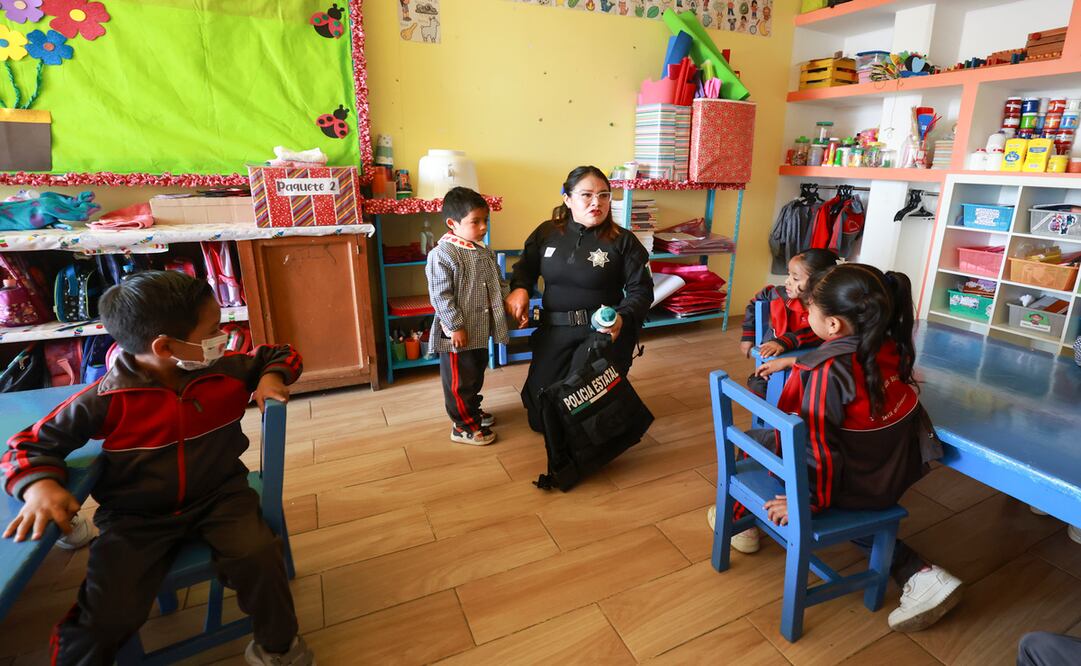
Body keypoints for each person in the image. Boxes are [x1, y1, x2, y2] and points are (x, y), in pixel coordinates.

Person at [0, 271, 313, 665]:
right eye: (214, 328)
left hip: (221, 496)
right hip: (136, 518)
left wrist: (270, 378)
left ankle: (279, 648)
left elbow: (281, 353)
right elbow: (28, 445)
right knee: (106, 614)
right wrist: (39, 487)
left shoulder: (225, 369)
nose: (225, 333)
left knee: (261, 559)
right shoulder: (104, 398)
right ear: (165, 346)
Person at [709, 263, 963, 632]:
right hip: (890, 467)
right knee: (767, 443)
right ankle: (745, 520)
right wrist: (797, 358)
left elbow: (819, 453)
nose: (805, 313)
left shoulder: (825, 375)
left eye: (810, 308)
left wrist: (805, 504)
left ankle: (742, 520)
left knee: (752, 443)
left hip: (855, 482)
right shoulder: (887, 344)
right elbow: (844, 369)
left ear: (832, 325)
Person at [505, 166, 653, 432]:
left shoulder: (624, 242)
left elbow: (642, 291)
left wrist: (622, 317)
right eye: (586, 195)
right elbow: (525, 268)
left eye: (604, 195)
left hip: (600, 333)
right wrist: (520, 288)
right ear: (568, 199)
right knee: (541, 418)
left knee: (581, 417)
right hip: (555, 330)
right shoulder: (546, 233)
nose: (597, 203)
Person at [426, 186, 509, 446]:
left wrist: (509, 302)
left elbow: (498, 280)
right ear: (453, 223)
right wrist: (454, 327)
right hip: (458, 334)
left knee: (474, 374)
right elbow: (441, 296)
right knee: (459, 381)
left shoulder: (482, 250)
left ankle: (472, 410)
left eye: (486, 220)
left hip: (480, 328)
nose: (483, 227)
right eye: (476, 221)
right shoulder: (443, 254)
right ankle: (462, 425)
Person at [739, 248, 838, 396]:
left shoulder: (828, 307)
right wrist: (748, 336)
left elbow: (823, 336)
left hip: (812, 365)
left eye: (796, 278)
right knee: (757, 384)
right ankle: (773, 417)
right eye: (789, 274)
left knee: (809, 393)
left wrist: (787, 341)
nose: (787, 281)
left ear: (820, 282)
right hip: (776, 360)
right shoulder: (779, 294)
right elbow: (754, 303)